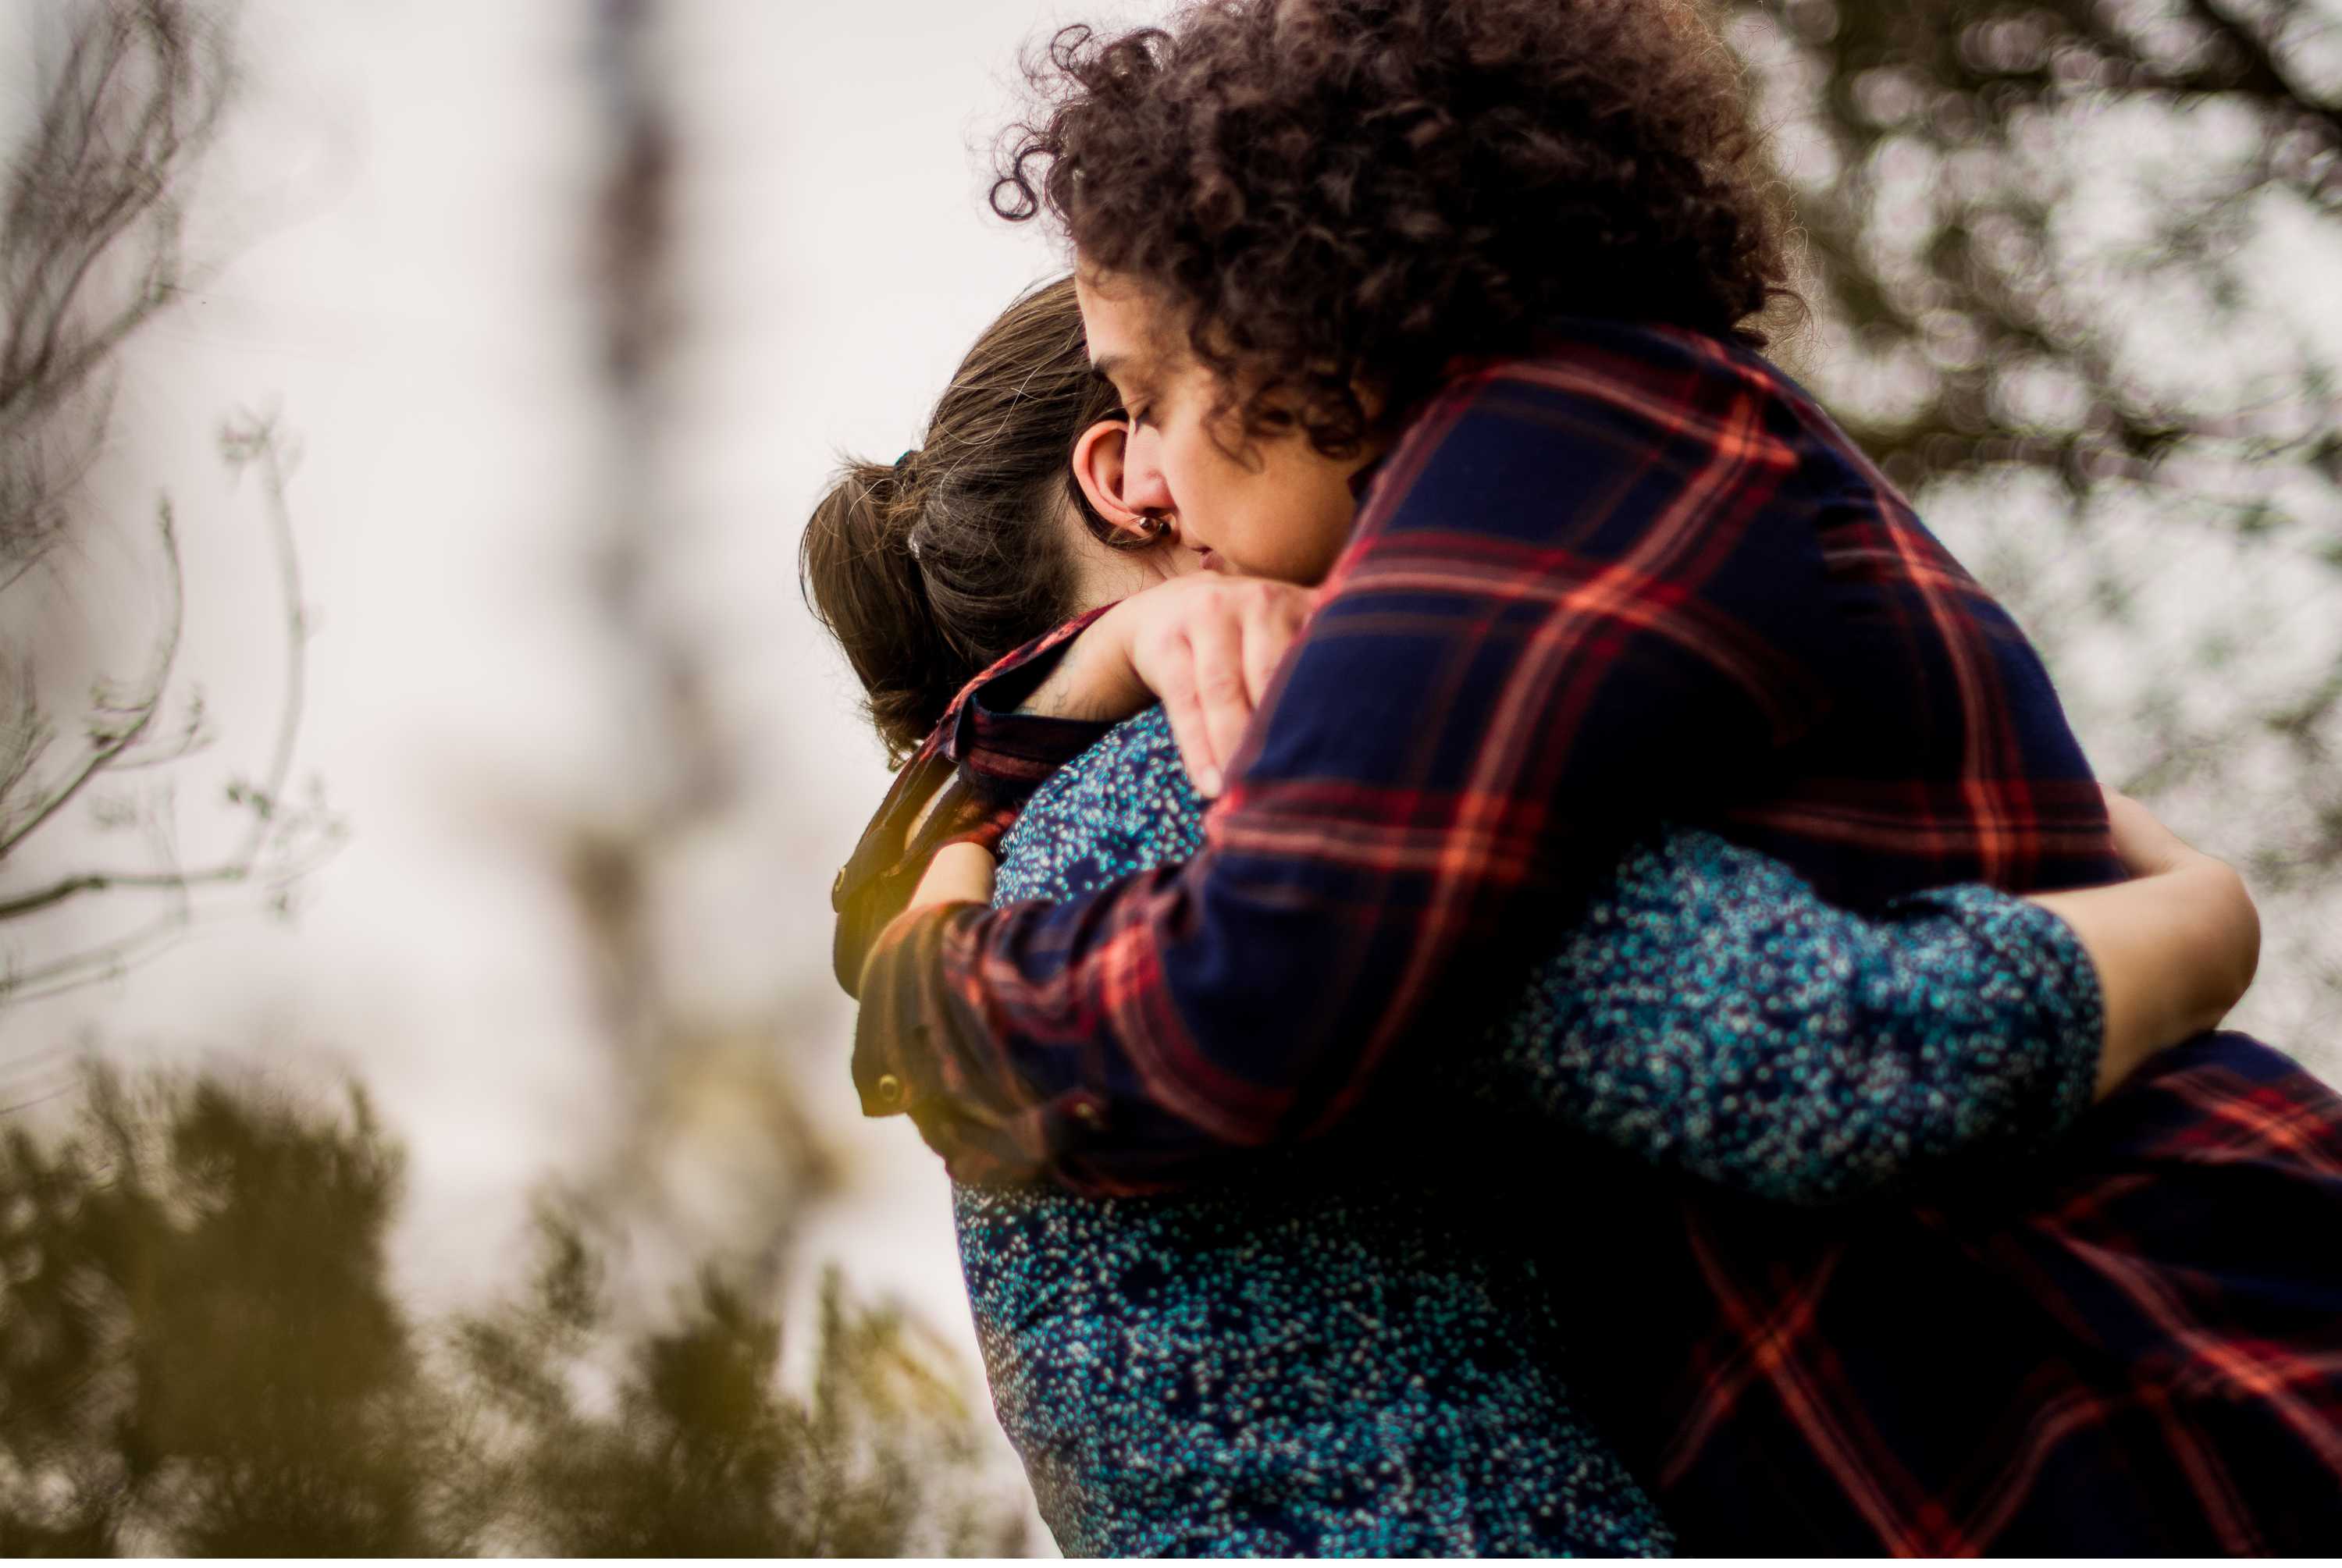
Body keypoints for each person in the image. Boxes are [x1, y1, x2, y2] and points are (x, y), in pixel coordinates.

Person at [846, 1, 2342, 1552]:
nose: (1156, 464)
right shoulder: (1541, 486)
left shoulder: (1554, 451)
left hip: (2153, 1388)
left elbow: (1259, 988)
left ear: (1284, 314)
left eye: (1151, 394)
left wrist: (931, 991)